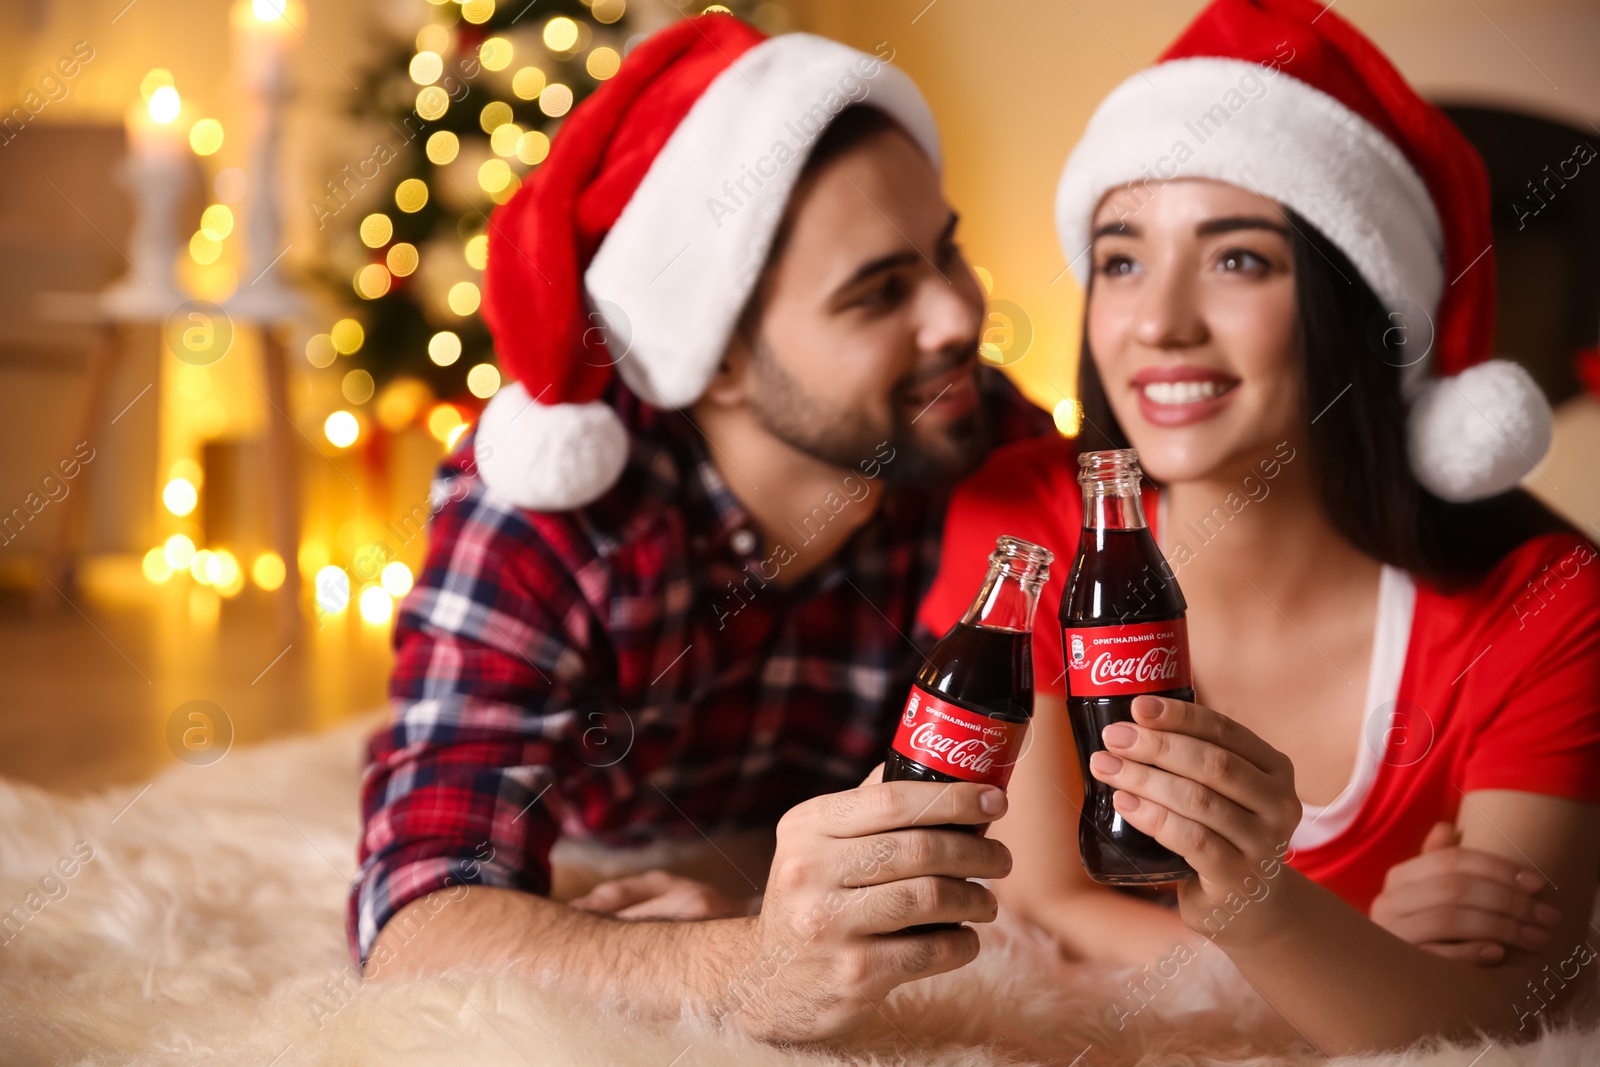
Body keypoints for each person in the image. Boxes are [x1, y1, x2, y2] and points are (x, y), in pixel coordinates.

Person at [348, 15, 1053, 1043]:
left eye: (945, 251)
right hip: (626, 841)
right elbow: (416, 926)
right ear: (714, 357)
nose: (957, 314)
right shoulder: (545, 515)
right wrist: (740, 961)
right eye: (878, 292)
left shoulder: (982, 441)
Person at [916, 0, 1600, 1054]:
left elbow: (1505, 1022)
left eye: (1238, 260)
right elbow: (1043, 895)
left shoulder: (1548, 604)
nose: (1158, 323)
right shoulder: (1029, 520)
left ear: (1357, 303)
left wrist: (1272, 911)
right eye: (1120, 259)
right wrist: (1355, 946)